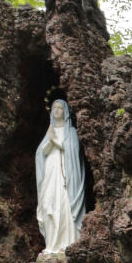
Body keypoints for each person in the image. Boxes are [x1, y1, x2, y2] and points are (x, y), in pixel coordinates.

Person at [35, 98, 85, 254]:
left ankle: (68, 242)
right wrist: (49, 142)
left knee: (64, 203)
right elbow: (41, 153)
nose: (56, 111)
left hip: (66, 175)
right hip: (51, 172)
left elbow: (73, 151)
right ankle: (51, 245)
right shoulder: (49, 130)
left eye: (60, 108)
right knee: (49, 203)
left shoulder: (71, 132)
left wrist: (55, 142)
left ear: (65, 111)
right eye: (54, 108)